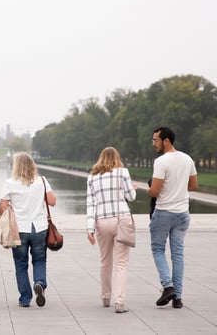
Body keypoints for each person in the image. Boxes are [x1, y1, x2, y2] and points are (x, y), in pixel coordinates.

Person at [147, 127, 198, 309]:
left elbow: (154, 191)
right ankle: (178, 297)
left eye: (155, 140)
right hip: (183, 212)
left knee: (157, 249)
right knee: (178, 254)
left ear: (166, 141)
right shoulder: (187, 158)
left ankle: (167, 286)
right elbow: (193, 185)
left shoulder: (161, 162)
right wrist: (178, 188)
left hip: (164, 212)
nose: (153, 143)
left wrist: (147, 189)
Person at [0, 152, 56, 308]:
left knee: (21, 264)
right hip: (40, 228)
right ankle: (39, 282)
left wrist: (13, 206)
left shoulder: (10, 183)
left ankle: (25, 298)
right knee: (39, 260)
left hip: (20, 228)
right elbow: (52, 201)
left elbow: (2, 207)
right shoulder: (42, 181)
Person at [86, 147, 137, 313]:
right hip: (121, 218)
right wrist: (133, 188)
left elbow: (91, 204)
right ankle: (119, 302)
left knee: (105, 260)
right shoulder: (123, 172)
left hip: (102, 220)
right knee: (121, 263)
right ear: (117, 158)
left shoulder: (92, 177)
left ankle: (106, 296)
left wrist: (89, 228)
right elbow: (131, 197)